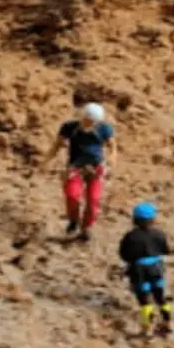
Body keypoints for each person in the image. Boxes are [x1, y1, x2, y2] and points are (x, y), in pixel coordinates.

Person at [45, 97, 117, 242]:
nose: (88, 123)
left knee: (93, 200)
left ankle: (87, 226)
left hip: (95, 167)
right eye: (87, 120)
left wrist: (112, 159)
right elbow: (57, 144)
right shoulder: (69, 127)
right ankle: (73, 220)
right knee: (72, 195)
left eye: (92, 122)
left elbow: (113, 146)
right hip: (75, 166)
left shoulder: (104, 129)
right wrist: (46, 161)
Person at [118, 202, 173, 337]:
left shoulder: (130, 236)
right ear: (153, 219)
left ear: (134, 220)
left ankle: (146, 329)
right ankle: (167, 323)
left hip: (139, 271)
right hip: (156, 268)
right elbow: (166, 250)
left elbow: (124, 255)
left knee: (144, 301)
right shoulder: (159, 234)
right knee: (160, 297)